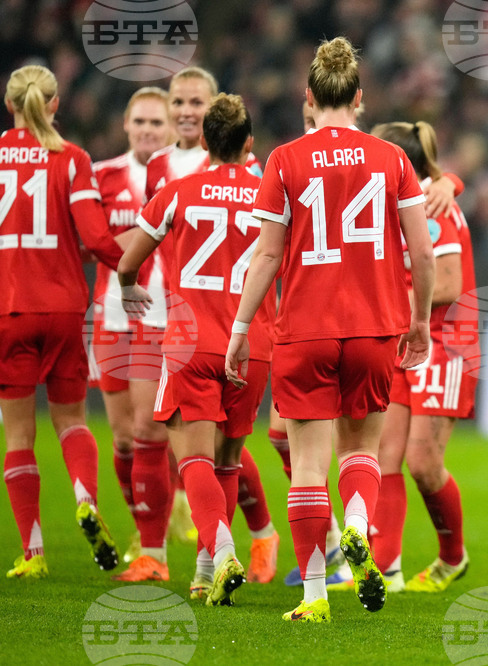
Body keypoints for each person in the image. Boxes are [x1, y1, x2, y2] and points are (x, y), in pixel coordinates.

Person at [225, 36, 435, 623]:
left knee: (309, 466)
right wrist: (417, 323)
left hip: (304, 330)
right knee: (362, 449)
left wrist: (242, 327)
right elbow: (421, 251)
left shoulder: (285, 159)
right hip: (374, 329)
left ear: (309, 98)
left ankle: (315, 594)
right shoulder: (393, 160)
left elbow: (266, 257)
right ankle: (363, 523)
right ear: (360, 98)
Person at [118, 93, 275, 606]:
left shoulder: (178, 191)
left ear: (203, 141)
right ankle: (205, 572)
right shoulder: (271, 196)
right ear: (249, 143)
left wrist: (127, 287)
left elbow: (129, 261)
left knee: (194, 461)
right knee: (229, 460)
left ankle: (222, 548)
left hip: (191, 342)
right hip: (253, 342)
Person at [0, 65, 124, 578]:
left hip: (8, 309)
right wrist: (132, 270)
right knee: (72, 420)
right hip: (64, 310)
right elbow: (96, 239)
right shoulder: (71, 160)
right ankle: (84, 497)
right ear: (54, 104)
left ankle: (32, 553)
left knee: (17, 436)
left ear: (11, 105)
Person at [350, 120, 478, 594]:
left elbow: (448, 284)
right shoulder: (405, 199)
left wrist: (385, 308)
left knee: (423, 462)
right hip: (405, 341)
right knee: (386, 456)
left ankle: (452, 556)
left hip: (444, 343)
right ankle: (388, 568)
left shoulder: (432, 206)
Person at [89, 86, 175, 580]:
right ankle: (148, 525)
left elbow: (104, 241)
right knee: (122, 440)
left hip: (159, 314)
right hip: (110, 316)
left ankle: (153, 548)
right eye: (139, 122)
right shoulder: (104, 175)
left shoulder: (177, 175)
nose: (147, 130)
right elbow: (90, 241)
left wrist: (119, 241)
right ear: (125, 125)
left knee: (148, 432)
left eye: (155, 123)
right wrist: (142, 237)